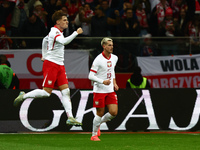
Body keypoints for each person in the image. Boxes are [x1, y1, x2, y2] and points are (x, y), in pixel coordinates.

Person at [13, 10, 83, 126]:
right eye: (64, 20)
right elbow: (64, 42)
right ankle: (23, 96)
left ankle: (70, 117)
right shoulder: (54, 31)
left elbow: (44, 40)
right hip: (51, 64)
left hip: (60, 65)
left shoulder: (57, 32)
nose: (67, 22)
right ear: (58, 21)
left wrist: (44, 54)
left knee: (66, 91)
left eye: (67, 20)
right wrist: (76, 32)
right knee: (46, 93)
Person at [88, 37, 119, 141]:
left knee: (113, 112)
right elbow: (90, 76)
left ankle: (99, 124)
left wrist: (114, 82)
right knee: (100, 113)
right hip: (99, 90)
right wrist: (102, 81)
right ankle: (93, 135)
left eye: (112, 45)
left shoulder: (114, 58)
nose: (111, 47)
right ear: (104, 46)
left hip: (110, 90)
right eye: (109, 45)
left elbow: (112, 70)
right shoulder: (98, 60)